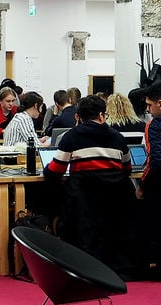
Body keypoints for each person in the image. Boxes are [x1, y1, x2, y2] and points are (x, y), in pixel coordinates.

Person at [44, 95, 140, 278]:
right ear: (102, 116)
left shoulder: (71, 137)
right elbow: (127, 168)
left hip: (83, 201)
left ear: (77, 117)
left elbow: (56, 170)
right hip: (115, 201)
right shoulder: (117, 137)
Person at [136, 83, 161, 278]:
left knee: (153, 224)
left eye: (149, 105)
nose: (147, 109)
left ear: (159, 104)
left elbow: (155, 160)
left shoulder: (154, 125)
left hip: (158, 185)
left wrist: (142, 186)